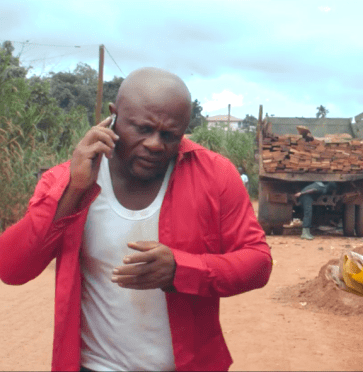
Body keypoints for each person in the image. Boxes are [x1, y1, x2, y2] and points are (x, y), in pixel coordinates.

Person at [0, 67, 273, 371]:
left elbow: (258, 263)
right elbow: (12, 268)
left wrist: (181, 270)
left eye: (170, 135)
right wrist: (74, 190)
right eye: (142, 129)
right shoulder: (68, 179)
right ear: (113, 116)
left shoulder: (215, 176)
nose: (156, 144)